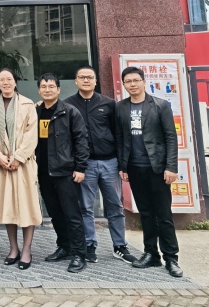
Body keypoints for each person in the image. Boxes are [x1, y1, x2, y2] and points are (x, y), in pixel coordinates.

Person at [115, 66, 183, 278]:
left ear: (144, 82)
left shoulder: (160, 105)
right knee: (145, 213)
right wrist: (122, 166)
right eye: (128, 81)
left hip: (158, 168)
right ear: (124, 85)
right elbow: (120, 138)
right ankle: (151, 254)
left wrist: (171, 167)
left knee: (163, 214)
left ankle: (171, 258)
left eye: (136, 80)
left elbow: (171, 137)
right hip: (135, 168)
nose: (132, 84)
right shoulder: (121, 107)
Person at [65, 65, 135, 264]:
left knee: (115, 206)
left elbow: (119, 134)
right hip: (84, 164)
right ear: (76, 81)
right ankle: (89, 245)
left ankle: (120, 246)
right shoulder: (68, 105)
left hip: (109, 162)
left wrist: (122, 163)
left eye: (90, 77)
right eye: (82, 77)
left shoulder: (109, 104)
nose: (86, 80)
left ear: (96, 81)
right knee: (85, 208)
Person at [0, 69, 40, 271]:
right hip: (2, 164)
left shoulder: (27, 104)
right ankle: (13, 248)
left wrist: (18, 157)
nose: (5, 82)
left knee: (27, 206)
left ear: (15, 82)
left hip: (23, 163)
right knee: (7, 207)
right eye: (2, 80)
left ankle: (27, 249)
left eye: (9, 79)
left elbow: (31, 134)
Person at [35, 74, 89, 273]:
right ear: (39, 90)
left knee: (72, 214)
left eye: (51, 86)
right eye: (43, 87)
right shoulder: (36, 111)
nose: (47, 90)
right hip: (44, 172)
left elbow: (81, 140)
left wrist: (80, 168)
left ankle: (79, 254)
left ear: (58, 89)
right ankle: (64, 246)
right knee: (55, 214)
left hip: (65, 171)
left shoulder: (70, 111)